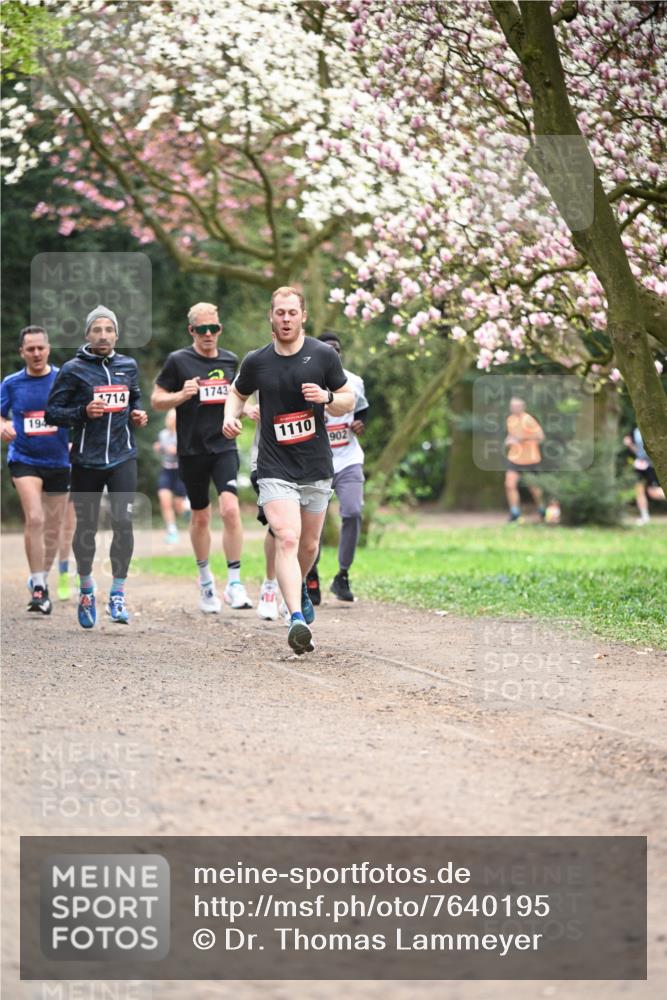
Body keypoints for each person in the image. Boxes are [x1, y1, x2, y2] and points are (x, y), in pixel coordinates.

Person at [223, 286, 354, 655]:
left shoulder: (323, 355)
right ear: (271, 316)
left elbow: (348, 399)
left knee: (309, 544)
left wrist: (327, 398)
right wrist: (230, 418)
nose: (285, 319)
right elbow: (237, 392)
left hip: (315, 465)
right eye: (279, 312)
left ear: (303, 316)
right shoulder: (257, 361)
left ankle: (296, 591)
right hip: (274, 465)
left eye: (291, 313)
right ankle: (295, 617)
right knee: (287, 537)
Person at [45, 305, 148, 627]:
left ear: (116, 334)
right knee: (87, 528)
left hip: (123, 456)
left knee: (123, 523)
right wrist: (83, 412)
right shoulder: (73, 369)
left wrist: (137, 415)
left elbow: (135, 399)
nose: (103, 335)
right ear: (87, 334)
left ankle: (117, 594)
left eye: (108, 330)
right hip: (86, 460)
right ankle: (87, 587)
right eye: (97, 330)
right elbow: (52, 413)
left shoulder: (128, 365)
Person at [151, 302, 252, 613]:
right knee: (201, 516)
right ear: (191, 331)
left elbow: (237, 398)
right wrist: (181, 395)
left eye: (214, 328)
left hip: (223, 446)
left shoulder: (231, 360)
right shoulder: (178, 361)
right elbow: (156, 400)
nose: (209, 334)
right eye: (202, 329)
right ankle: (206, 579)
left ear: (219, 329)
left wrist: (245, 410)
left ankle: (234, 582)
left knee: (231, 509)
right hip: (191, 450)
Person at [0, 325, 71, 614]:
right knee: (35, 518)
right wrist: (4, 425)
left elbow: (79, 412)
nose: (36, 353)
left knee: (54, 529)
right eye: (30, 349)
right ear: (22, 352)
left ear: (48, 349)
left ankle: (39, 575)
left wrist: (75, 441)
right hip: (24, 458)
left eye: (40, 348)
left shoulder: (64, 379)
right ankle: (40, 587)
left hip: (59, 460)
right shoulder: (11, 383)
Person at [307, 330, 369, 603]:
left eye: (337, 349)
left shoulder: (354, 382)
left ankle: (342, 575)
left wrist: (360, 423)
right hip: (316, 461)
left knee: (353, 511)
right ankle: (311, 574)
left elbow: (363, 410)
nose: (332, 353)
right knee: (313, 521)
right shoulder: (307, 381)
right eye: (327, 349)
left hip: (348, 459)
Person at [504, 397, 545, 522]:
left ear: (523, 407)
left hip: (530, 459)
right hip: (514, 458)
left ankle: (542, 509)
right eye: (512, 406)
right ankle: (514, 512)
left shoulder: (528, 420)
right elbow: (511, 436)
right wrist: (508, 440)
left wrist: (523, 438)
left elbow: (540, 436)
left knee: (534, 488)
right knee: (509, 484)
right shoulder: (510, 420)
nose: (514, 408)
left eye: (517, 406)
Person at [153, 408, 188, 543]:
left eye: (172, 417)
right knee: (164, 499)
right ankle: (172, 530)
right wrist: (158, 448)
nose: (169, 420)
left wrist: (175, 450)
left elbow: (183, 451)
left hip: (180, 471)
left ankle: (186, 509)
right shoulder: (163, 434)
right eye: (168, 417)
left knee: (178, 505)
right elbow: (161, 449)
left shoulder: (183, 434)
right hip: (166, 470)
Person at [623, 426, 665, 525]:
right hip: (640, 465)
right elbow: (638, 451)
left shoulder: (652, 428)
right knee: (639, 490)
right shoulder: (635, 430)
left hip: (651, 465)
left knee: (653, 492)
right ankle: (645, 517)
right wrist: (629, 445)